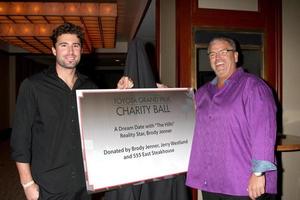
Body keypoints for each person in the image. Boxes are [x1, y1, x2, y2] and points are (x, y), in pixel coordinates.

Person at [10, 22, 98, 200]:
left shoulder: (90, 87)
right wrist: (27, 184)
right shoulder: (33, 86)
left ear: (81, 50)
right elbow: (20, 139)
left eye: (76, 45)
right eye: (63, 45)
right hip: (48, 186)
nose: (70, 51)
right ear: (53, 50)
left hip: (83, 183)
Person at [186, 36, 277, 200]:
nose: (217, 58)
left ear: (235, 56)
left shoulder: (253, 86)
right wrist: (167, 94)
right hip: (211, 180)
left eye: (223, 51)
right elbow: (186, 113)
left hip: (243, 182)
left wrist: (258, 172)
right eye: (212, 54)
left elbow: (264, 129)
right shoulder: (203, 92)